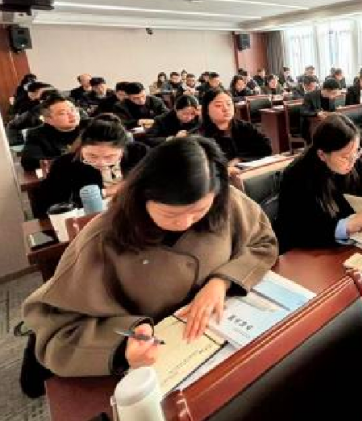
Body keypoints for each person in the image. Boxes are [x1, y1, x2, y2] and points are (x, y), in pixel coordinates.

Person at [23, 137, 279, 378]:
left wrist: (221, 282)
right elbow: (56, 331)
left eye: (199, 211)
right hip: (158, 361)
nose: (185, 222)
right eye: (170, 214)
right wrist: (121, 345)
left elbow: (262, 242)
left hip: (223, 341)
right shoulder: (101, 241)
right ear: (142, 196)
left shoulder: (224, 201)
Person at [275, 114, 362, 252]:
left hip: (352, 242)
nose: (352, 162)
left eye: (356, 152)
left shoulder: (353, 159)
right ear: (322, 155)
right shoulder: (297, 176)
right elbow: (298, 229)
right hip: (310, 253)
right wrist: (346, 226)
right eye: (345, 157)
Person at [38, 114, 149, 212]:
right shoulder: (65, 164)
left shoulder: (139, 152)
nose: (101, 163)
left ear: (123, 149)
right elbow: (50, 204)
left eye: (110, 157)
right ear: (81, 147)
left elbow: (153, 183)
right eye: (92, 156)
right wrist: (105, 192)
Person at [200, 88, 272, 174]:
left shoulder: (244, 126)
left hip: (248, 173)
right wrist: (224, 170)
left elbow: (266, 147)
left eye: (229, 104)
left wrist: (240, 159)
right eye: (219, 105)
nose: (226, 109)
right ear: (206, 110)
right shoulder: (200, 136)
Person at [21, 94, 83, 171]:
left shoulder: (90, 126)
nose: (72, 114)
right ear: (48, 120)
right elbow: (28, 161)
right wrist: (76, 159)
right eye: (63, 113)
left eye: (73, 109)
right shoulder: (37, 134)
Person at [300, 77, 339, 142]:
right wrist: (316, 114)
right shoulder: (309, 96)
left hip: (326, 124)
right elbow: (303, 111)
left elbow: (332, 111)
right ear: (326, 90)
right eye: (333, 93)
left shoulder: (331, 98)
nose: (334, 95)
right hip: (310, 126)